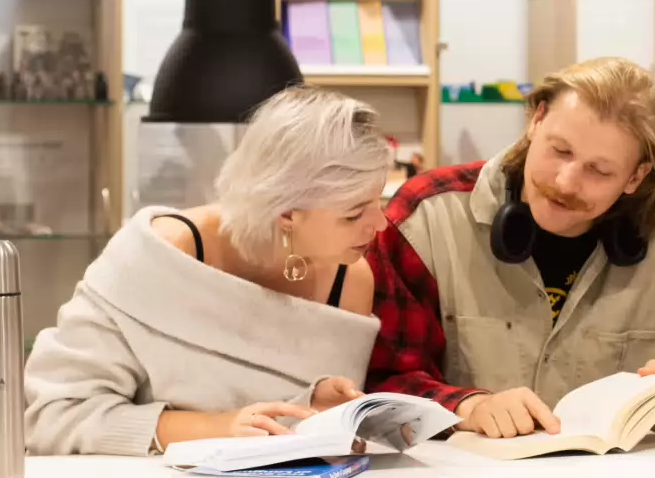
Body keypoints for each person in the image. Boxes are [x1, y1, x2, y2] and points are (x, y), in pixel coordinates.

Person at [366, 57, 655, 439]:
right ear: (536, 121)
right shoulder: (426, 220)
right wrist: (467, 408)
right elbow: (380, 382)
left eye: (599, 170)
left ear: (636, 176)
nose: (567, 182)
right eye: (560, 151)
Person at [23, 86, 391, 456]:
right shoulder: (158, 258)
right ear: (285, 213)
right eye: (354, 213)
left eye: (380, 201)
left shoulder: (351, 280)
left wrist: (313, 406)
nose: (381, 224)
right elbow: (55, 416)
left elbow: (287, 439)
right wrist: (212, 428)